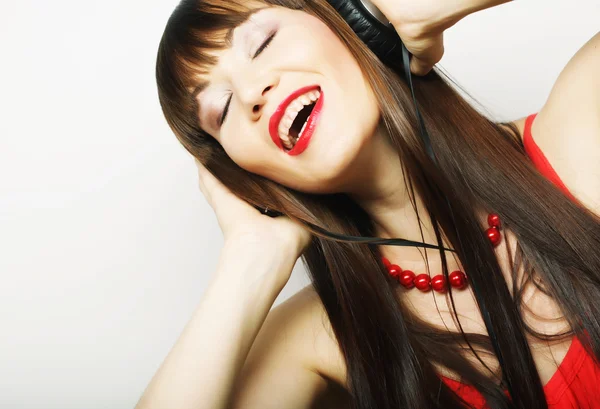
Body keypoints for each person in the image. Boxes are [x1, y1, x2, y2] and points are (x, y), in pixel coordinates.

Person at [138, 0, 600, 408]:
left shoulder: (577, 128)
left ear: (349, 20)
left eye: (262, 43)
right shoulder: (320, 340)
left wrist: (419, 7)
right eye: (222, 109)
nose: (253, 94)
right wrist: (250, 258)